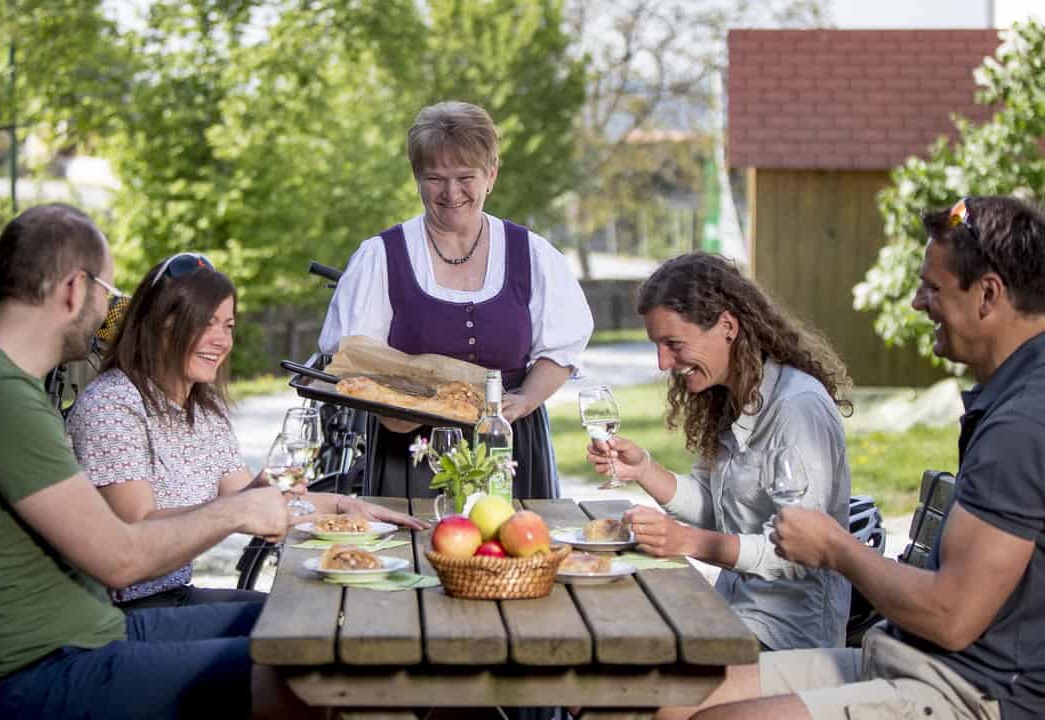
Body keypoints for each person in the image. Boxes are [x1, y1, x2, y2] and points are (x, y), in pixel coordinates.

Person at [0, 204, 316, 719]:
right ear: (75, 289)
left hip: (78, 637)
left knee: (302, 630)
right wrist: (236, 511)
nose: (109, 311)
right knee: (301, 668)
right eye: (107, 292)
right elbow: (122, 557)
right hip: (25, 679)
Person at [668, 196, 1045, 720]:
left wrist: (835, 547)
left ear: (988, 295)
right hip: (903, 656)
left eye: (932, 288)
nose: (916, 302)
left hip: (972, 690)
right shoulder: (1013, 397)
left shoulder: (1022, 424)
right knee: (671, 699)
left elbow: (950, 616)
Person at [66, 251, 427, 611]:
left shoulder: (204, 409)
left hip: (175, 596)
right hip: (120, 613)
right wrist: (238, 508)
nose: (221, 340)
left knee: (307, 611)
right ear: (159, 324)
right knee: (292, 628)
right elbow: (136, 529)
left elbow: (244, 496)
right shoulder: (113, 405)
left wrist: (345, 506)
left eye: (228, 326)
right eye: (204, 323)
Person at [319, 100, 593, 501]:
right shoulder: (381, 256)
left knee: (516, 560)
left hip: (510, 447)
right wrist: (395, 412)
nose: (451, 193)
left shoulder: (532, 254)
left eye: (466, 176)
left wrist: (525, 400)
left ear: (491, 176)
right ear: (416, 178)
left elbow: (561, 349)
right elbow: (351, 359)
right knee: (412, 560)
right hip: (411, 451)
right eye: (435, 178)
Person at [587, 252, 853, 651]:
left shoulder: (798, 407)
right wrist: (644, 470)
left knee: (623, 671)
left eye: (673, 344)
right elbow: (717, 510)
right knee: (604, 641)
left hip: (789, 635)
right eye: (658, 346)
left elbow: (802, 553)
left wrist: (690, 542)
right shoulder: (730, 400)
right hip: (734, 608)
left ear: (727, 326)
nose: (663, 363)